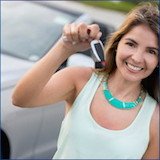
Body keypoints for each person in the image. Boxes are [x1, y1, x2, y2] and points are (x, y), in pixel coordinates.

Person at [12, 2, 159, 159]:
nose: (136, 58)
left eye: (151, 51)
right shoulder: (80, 80)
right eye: (131, 44)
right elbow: (21, 99)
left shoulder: (155, 119)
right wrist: (65, 47)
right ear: (117, 44)